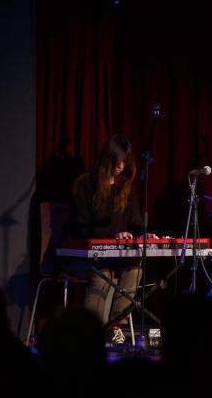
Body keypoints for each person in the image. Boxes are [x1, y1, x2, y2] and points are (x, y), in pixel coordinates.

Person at [62, 134, 156, 342]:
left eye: (124, 161)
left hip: (115, 258)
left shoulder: (125, 188)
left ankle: (115, 328)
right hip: (83, 258)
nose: (121, 166)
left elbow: (136, 224)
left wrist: (143, 235)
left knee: (135, 269)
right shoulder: (84, 185)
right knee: (102, 273)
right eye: (117, 161)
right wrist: (113, 236)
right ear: (107, 158)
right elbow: (81, 230)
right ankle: (90, 336)